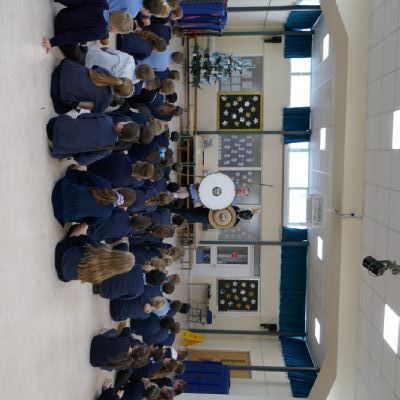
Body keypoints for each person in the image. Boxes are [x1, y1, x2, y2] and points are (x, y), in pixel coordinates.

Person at [42, 1, 134, 58]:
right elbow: (74, 36)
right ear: (113, 28)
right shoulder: (100, 32)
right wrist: (52, 42)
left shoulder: (103, 3)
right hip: (62, 30)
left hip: (61, 16)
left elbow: (75, 2)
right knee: (79, 60)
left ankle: (83, 45)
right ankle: (83, 48)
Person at [51, 169, 136, 226]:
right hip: (61, 213)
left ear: (120, 188)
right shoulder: (107, 214)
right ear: (122, 206)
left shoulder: (106, 185)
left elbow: (84, 175)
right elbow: (88, 222)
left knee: (78, 173)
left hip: (61, 189)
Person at [47, 114, 139, 166]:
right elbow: (83, 161)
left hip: (55, 124)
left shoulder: (107, 119)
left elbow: (81, 117)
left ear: (124, 123)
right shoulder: (108, 149)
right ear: (124, 139)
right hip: (56, 146)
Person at [55, 224, 134, 283]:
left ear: (119, 254)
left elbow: (82, 238)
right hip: (63, 276)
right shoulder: (103, 276)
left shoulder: (102, 249)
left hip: (61, 252)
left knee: (83, 228)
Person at [50, 59, 133, 114]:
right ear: (119, 95)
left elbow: (92, 68)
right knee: (62, 109)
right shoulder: (106, 101)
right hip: (59, 89)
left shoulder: (108, 73)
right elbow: (91, 111)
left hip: (62, 69)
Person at [94, 264, 165, 300]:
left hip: (101, 275)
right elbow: (121, 298)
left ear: (150, 271)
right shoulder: (139, 291)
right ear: (151, 285)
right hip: (104, 293)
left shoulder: (136, 267)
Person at [86, 47, 155, 82]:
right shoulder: (125, 82)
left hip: (91, 53)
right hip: (88, 71)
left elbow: (109, 50)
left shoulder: (130, 59)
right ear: (140, 78)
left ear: (140, 65)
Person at [88, 153, 155, 188]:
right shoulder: (123, 183)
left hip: (87, 160)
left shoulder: (123, 156)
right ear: (138, 178)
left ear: (139, 162)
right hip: (86, 176)